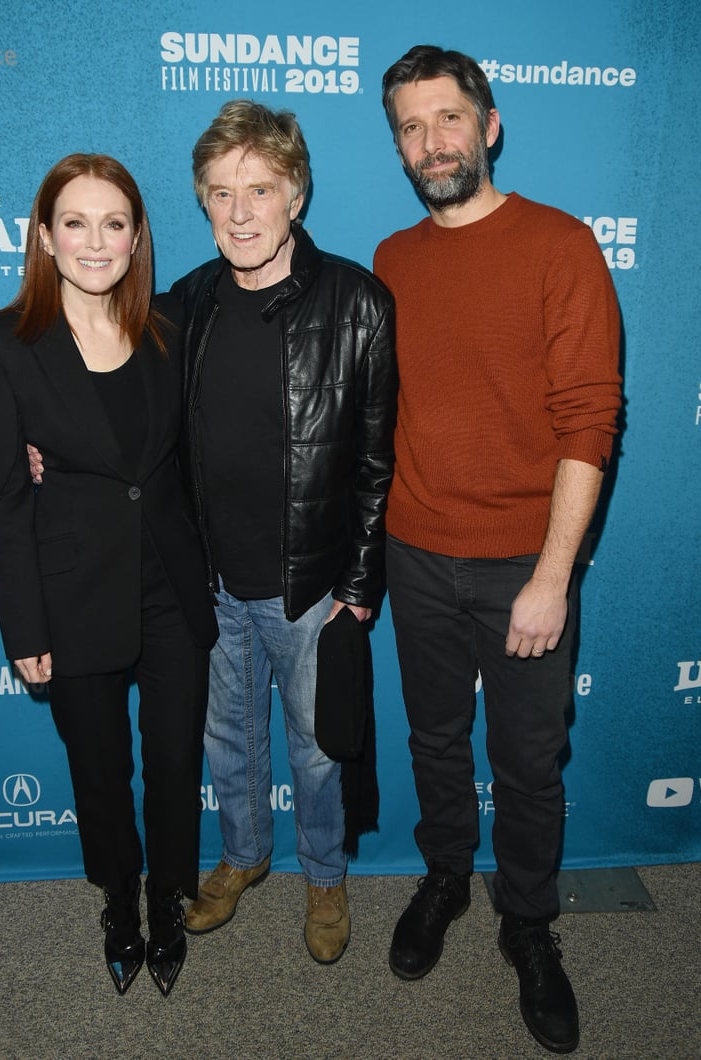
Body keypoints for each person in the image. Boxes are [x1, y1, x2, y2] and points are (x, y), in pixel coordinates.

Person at [374, 46, 621, 1053]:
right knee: (433, 740)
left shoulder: (561, 246)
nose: (430, 141)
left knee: (527, 761)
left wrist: (552, 578)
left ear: (490, 124)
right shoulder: (392, 260)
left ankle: (529, 923)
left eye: (446, 118)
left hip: (526, 564)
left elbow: (589, 419)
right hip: (414, 554)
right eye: (409, 126)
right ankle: (444, 878)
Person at [0, 154, 218, 998]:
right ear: (43, 234)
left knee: (174, 761)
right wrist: (23, 627)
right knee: (98, 769)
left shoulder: (170, 326)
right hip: (69, 596)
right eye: (75, 221)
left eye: (114, 223)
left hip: (172, 587)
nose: (95, 241)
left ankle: (169, 897)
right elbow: (1, 501)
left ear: (138, 236)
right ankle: (119, 901)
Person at [171, 100, 397, 963]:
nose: (239, 212)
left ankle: (326, 876)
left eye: (258, 189)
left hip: (312, 586)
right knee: (226, 737)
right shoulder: (186, 302)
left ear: (294, 193)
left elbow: (379, 464)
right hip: (214, 581)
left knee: (315, 750)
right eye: (221, 192)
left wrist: (357, 588)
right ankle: (241, 857)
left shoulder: (357, 303)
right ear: (202, 200)